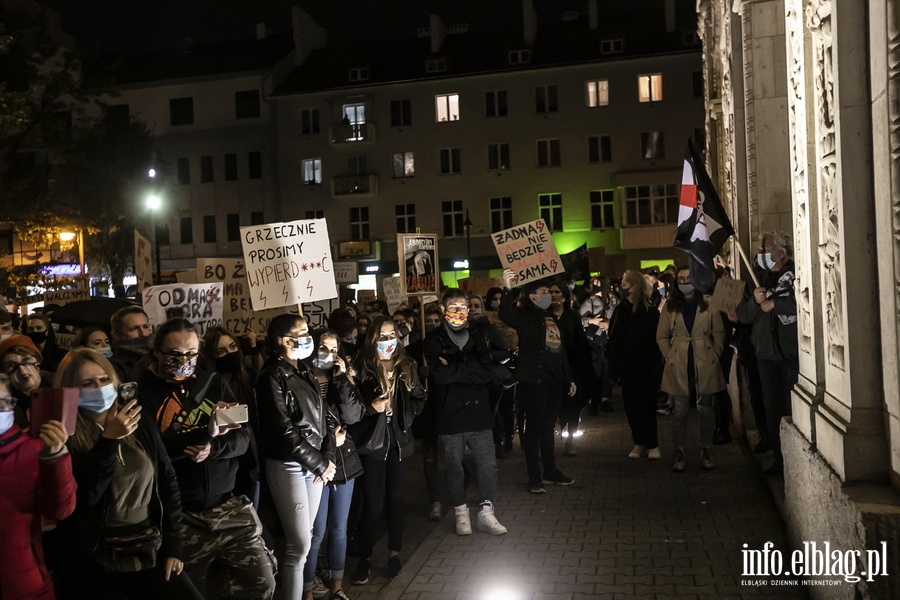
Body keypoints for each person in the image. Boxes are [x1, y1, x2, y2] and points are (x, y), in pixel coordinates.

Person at [138, 318, 276, 600]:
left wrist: (213, 447)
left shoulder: (212, 384)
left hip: (226, 506)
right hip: (181, 516)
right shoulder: (142, 392)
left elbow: (241, 439)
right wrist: (199, 438)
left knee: (262, 584)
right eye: (175, 354)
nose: (184, 360)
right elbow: (150, 452)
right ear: (157, 351)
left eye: (191, 353)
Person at [51, 348, 203, 600]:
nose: (99, 388)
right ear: (70, 391)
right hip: (95, 555)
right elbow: (86, 496)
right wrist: (109, 440)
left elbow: (167, 482)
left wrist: (173, 546)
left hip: (146, 543)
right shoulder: (65, 435)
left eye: (104, 379)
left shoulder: (137, 419)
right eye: (87, 383)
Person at [256, 314, 336, 600]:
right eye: (301, 332)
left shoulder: (304, 370)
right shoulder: (271, 377)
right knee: (298, 545)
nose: (307, 337)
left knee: (309, 538)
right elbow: (283, 432)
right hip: (289, 465)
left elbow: (322, 418)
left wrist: (326, 456)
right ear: (284, 340)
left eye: (307, 330)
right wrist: (320, 462)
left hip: (314, 465)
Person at [349, 316, 425, 584]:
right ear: (372, 338)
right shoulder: (362, 367)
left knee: (396, 499)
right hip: (372, 443)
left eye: (392, 334)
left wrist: (407, 415)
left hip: (398, 441)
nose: (388, 340)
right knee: (371, 505)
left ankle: (394, 552)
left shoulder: (407, 366)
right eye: (382, 336)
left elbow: (419, 398)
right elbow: (351, 406)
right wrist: (372, 407)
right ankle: (365, 558)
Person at [424, 289, 506, 537]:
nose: (459, 311)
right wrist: (469, 369)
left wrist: (456, 367)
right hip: (450, 415)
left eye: (463, 306)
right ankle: (460, 512)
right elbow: (439, 375)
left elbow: (487, 371)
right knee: (454, 467)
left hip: (479, 412)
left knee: (487, 466)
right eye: (453, 306)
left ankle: (486, 512)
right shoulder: (434, 340)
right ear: (443, 308)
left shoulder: (479, 334)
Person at [0, 373, 77, 600]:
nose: (2, 409)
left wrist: (55, 458)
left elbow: (60, 510)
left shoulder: (34, 450)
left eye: (5, 401)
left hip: (25, 583)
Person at [499, 270, 576, 494]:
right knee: (533, 430)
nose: (548, 296)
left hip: (554, 381)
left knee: (548, 427)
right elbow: (505, 314)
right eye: (543, 292)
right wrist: (507, 287)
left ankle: (550, 470)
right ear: (532, 297)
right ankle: (535, 477)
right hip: (534, 381)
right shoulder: (523, 316)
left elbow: (560, 351)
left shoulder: (551, 317)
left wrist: (568, 378)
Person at [303, 330, 365, 600]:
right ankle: (307, 589)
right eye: (322, 348)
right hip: (317, 464)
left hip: (344, 463)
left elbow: (352, 415)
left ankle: (337, 587)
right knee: (317, 531)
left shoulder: (341, 379)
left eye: (333, 348)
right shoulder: (302, 381)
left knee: (339, 527)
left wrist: (341, 379)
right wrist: (331, 445)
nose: (328, 354)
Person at [735, 230, 798, 477]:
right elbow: (743, 314)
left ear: (781, 252)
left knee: (791, 408)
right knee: (772, 409)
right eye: (759, 250)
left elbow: (802, 302)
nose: (760, 254)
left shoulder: (794, 273)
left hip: (790, 353)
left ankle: (794, 464)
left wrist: (775, 303)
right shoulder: (756, 278)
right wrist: (755, 302)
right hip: (765, 354)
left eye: (765, 250)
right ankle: (779, 459)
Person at [657, 266, 725, 472]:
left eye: (688, 278)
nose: (684, 282)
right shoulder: (670, 306)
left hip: (704, 360)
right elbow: (661, 335)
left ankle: (706, 449)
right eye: (681, 279)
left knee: (706, 409)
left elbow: (719, 332)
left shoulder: (709, 303)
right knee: (679, 411)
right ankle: (679, 450)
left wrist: (715, 352)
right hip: (679, 361)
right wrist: (669, 354)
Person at [199, 326, 264, 508]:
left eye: (233, 346)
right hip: (228, 464)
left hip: (252, 456)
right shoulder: (209, 386)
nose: (230, 353)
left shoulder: (244, 378)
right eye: (221, 351)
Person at [607, 270, 663, 460]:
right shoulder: (620, 311)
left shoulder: (651, 313)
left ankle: (652, 443)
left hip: (647, 366)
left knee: (647, 405)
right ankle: (639, 442)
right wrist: (614, 367)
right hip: (627, 367)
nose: (621, 288)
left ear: (636, 286)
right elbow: (614, 339)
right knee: (632, 407)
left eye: (625, 284)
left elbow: (657, 341)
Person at [548, 280, 593, 456]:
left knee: (572, 404)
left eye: (557, 292)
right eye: (551, 292)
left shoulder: (572, 315)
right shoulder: (545, 315)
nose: (553, 295)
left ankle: (570, 440)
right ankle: (548, 441)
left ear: (565, 295)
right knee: (551, 405)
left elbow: (580, 342)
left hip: (572, 365)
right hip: (551, 366)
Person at [579, 277, 616, 415]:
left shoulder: (613, 300)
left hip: (608, 338)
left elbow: (619, 318)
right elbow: (579, 319)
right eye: (593, 283)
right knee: (596, 370)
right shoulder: (590, 301)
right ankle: (593, 400)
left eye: (597, 283)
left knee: (607, 369)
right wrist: (591, 320)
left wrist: (609, 324)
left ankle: (605, 398)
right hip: (594, 339)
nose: (595, 286)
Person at [0, 335, 52, 430]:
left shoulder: (60, 384)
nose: (23, 372)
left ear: (37, 360)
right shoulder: (5, 402)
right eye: (11, 365)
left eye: (26, 360)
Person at [109, 306, 154, 383]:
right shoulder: (113, 366)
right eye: (134, 329)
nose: (143, 334)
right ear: (117, 335)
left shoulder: (158, 355)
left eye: (145, 327)